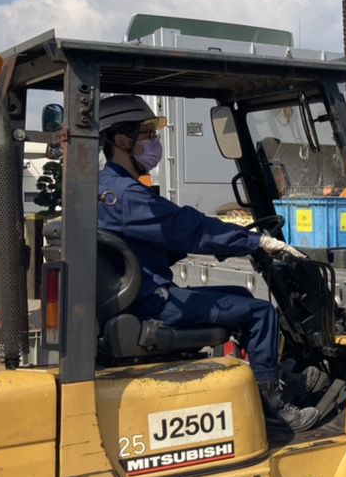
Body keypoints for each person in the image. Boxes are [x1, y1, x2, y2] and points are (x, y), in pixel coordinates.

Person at [96, 94, 321, 431]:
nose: (155, 143)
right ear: (121, 139)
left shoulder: (106, 187)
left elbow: (161, 239)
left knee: (241, 296)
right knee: (262, 312)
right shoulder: (127, 196)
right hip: (153, 304)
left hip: (140, 294)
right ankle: (273, 406)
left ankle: (270, 372)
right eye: (148, 135)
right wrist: (255, 240)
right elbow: (189, 227)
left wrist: (212, 243)